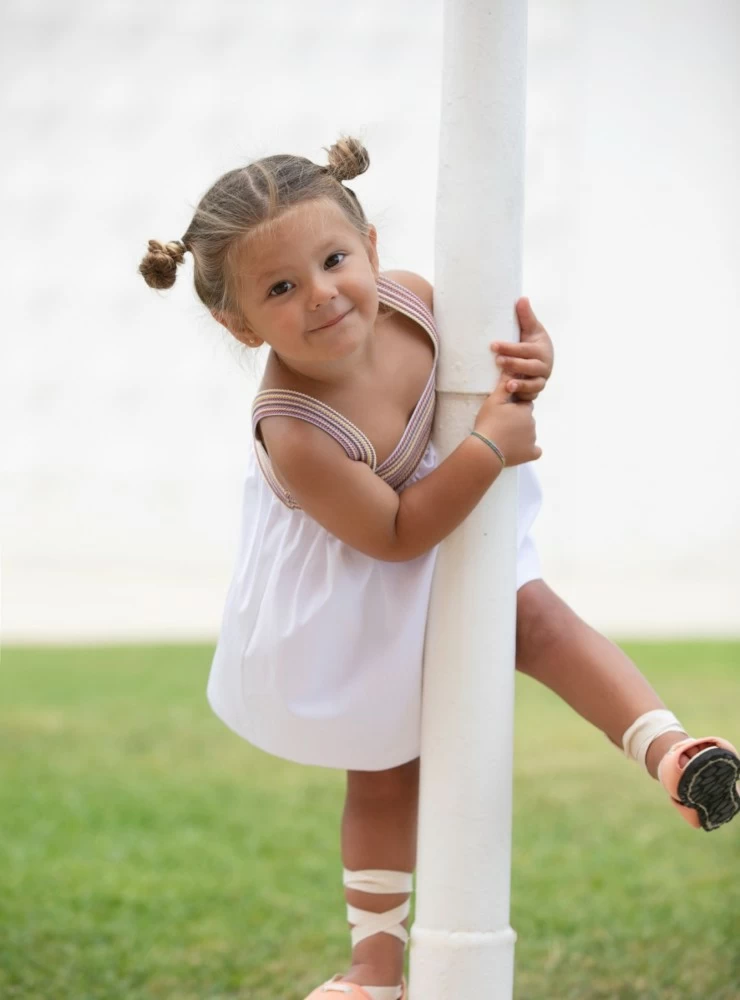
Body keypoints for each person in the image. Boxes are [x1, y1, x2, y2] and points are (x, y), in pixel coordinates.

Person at [139, 136, 740, 1000]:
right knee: (388, 769)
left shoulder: (415, 301)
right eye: (280, 288)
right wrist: (491, 445)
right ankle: (374, 966)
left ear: (372, 247)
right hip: (359, 583)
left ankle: (675, 752)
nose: (321, 295)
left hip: (452, 519)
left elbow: (493, 385)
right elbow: (391, 533)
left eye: (334, 259)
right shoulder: (297, 429)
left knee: (541, 622)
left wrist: (532, 371)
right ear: (237, 324)